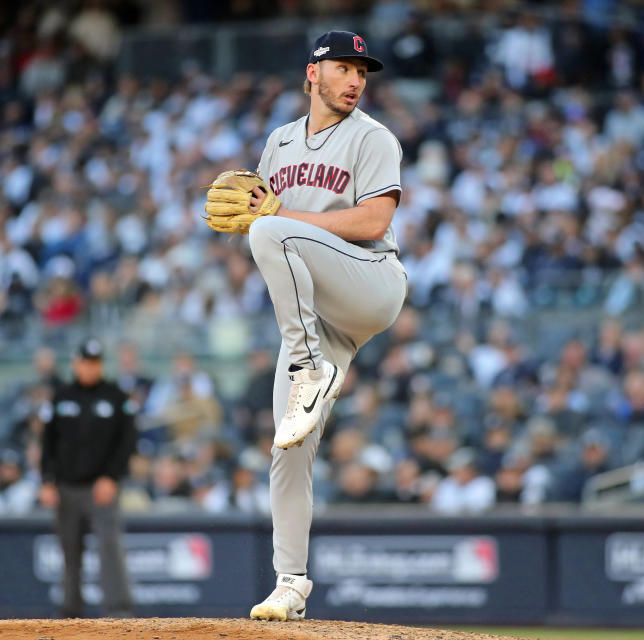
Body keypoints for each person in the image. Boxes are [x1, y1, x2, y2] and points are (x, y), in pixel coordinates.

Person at [244, 30, 407, 621]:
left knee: (271, 228)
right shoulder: (279, 142)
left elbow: (372, 220)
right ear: (312, 73)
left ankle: (310, 368)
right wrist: (251, 222)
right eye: (344, 67)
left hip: (369, 281)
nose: (356, 79)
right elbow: (260, 231)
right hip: (318, 316)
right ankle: (291, 584)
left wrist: (276, 218)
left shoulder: (373, 138)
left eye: (362, 71)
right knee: (289, 444)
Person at [39, 339, 137, 619]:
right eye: (85, 362)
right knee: (69, 550)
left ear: (101, 365)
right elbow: (48, 442)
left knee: (109, 547)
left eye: (95, 363)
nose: (90, 368)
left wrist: (111, 476)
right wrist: (47, 479)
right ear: (75, 364)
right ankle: (70, 611)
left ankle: (119, 610)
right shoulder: (60, 397)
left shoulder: (116, 396)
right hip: (66, 486)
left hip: (101, 487)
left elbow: (127, 441)